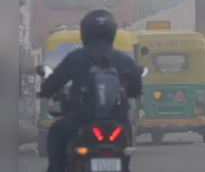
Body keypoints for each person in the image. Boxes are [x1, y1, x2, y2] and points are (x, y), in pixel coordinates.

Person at [39, 10, 142, 172]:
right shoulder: (123, 60)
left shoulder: (76, 58)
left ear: (85, 31)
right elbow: (136, 89)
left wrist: (45, 91)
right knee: (125, 145)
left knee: (55, 132)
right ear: (112, 32)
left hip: (82, 120)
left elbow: (51, 84)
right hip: (118, 121)